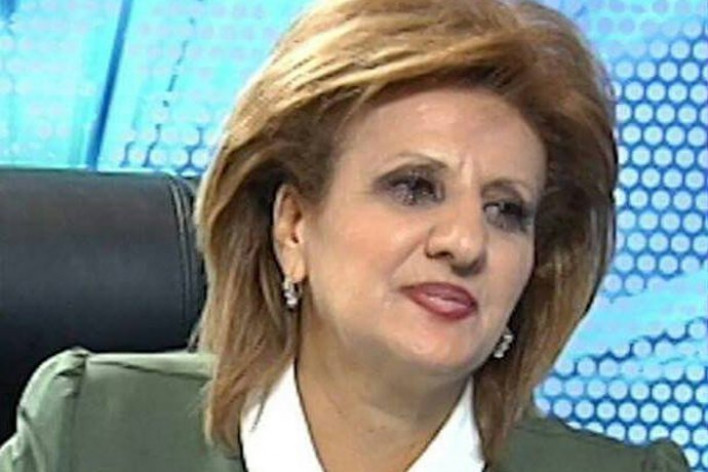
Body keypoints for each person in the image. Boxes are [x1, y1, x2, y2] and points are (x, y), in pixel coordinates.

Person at [0, 0, 691, 471]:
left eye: (505, 210)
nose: (465, 242)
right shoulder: (92, 432)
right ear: (294, 226)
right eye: (414, 187)